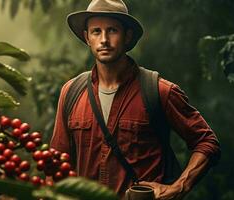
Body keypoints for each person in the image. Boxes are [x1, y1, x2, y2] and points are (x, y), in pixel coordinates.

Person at [50, 0, 221, 199]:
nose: (104, 39)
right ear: (87, 37)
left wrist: (179, 187)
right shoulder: (71, 92)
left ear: (127, 36)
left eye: (112, 30)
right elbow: (57, 163)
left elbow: (207, 141)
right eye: (96, 31)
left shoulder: (158, 91)